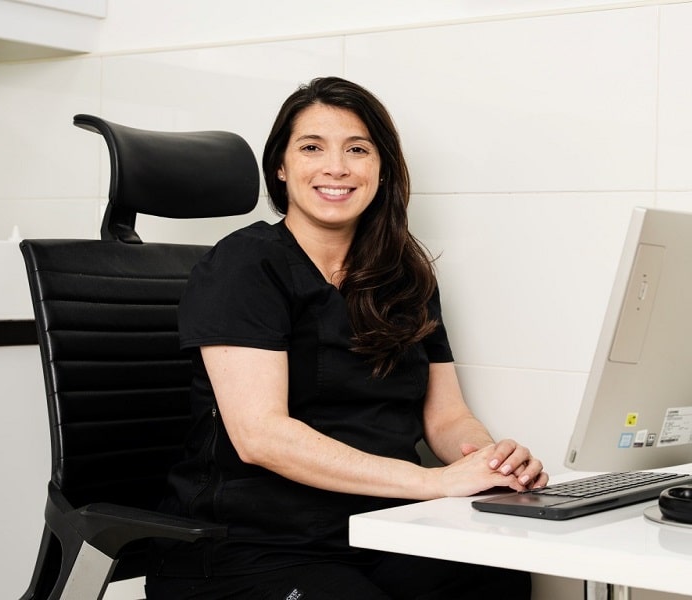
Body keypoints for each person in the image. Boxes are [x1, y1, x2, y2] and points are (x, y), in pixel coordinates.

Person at [146, 76, 548, 599]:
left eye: (357, 149)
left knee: (499, 575)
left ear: (381, 169)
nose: (336, 166)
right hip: (251, 545)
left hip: (377, 530)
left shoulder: (404, 273)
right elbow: (260, 435)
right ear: (281, 167)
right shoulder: (244, 265)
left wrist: (489, 462)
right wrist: (432, 483)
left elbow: (446, 416)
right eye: (312, 147)